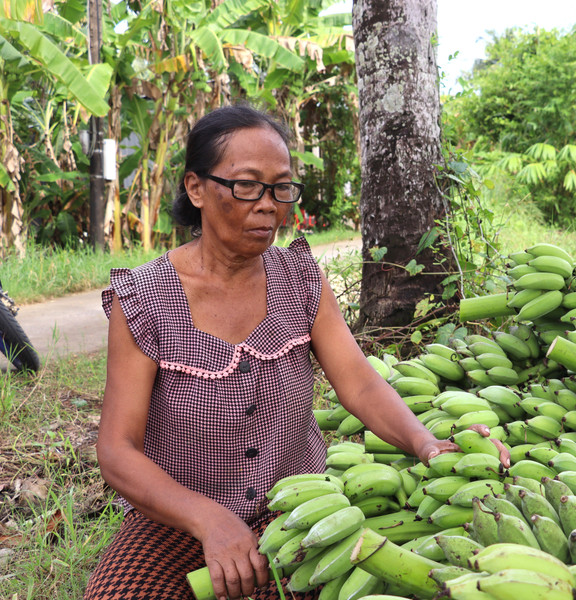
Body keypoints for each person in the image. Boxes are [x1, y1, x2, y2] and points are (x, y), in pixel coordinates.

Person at [85, 104, 507, 600]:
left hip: (297, 510)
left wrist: (424, 442)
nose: (268, 205)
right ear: (196, 188)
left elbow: (360, 382)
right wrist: (209, 521)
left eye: (281, 187)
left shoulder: (300, 280)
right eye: (247, 185)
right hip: (178, 517)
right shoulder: (146, 297)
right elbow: (117, 451)